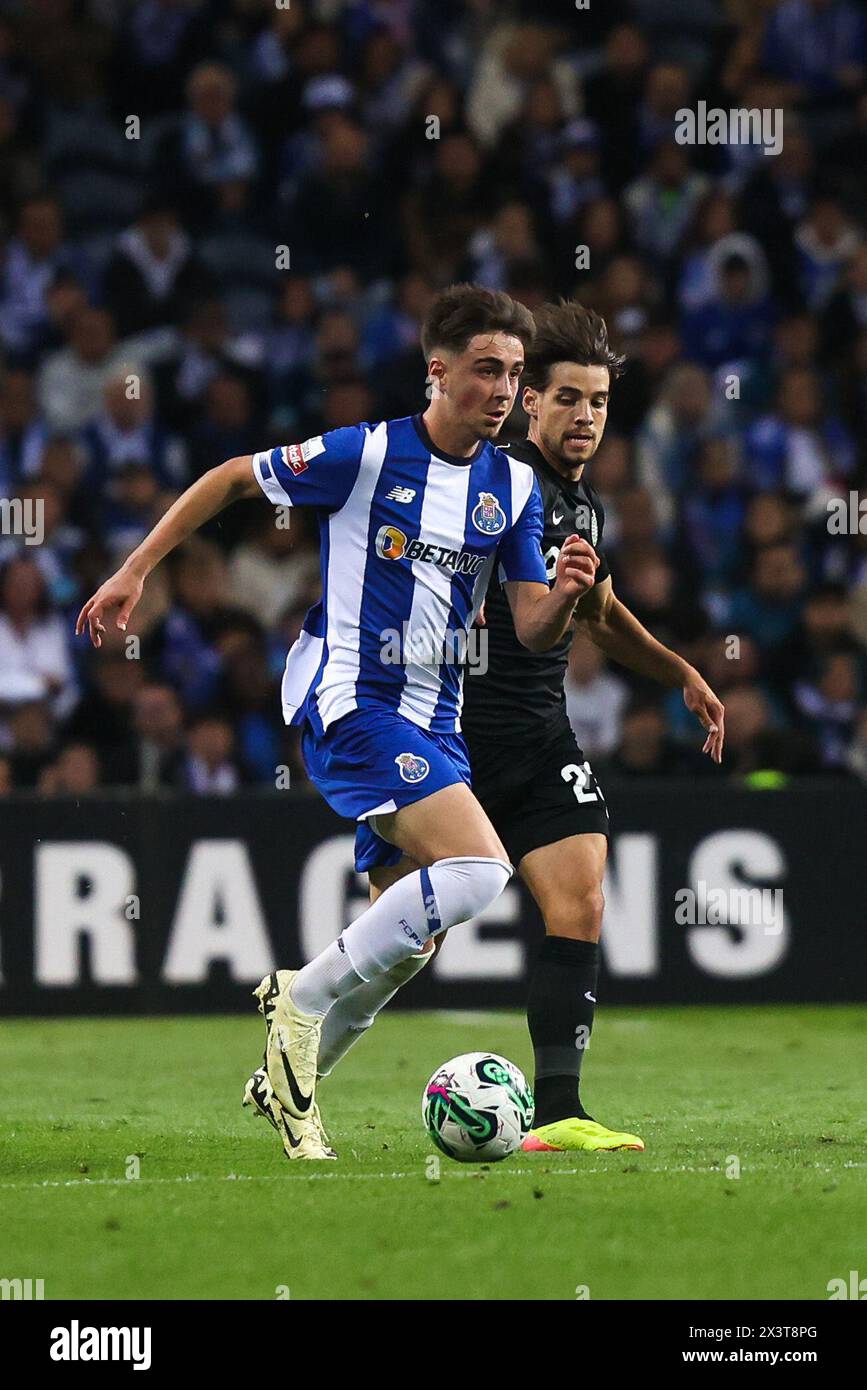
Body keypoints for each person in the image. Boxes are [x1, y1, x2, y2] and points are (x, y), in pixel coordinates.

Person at [76, 284, 599, 1160]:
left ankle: (286, 1087)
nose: (504, 390)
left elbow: (531, 617)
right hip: (350, 693)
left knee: (406, 939)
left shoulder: (509, 484)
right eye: (485, 370)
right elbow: (231, 478)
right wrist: (136, 569)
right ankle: (299, 1000)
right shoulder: (365, 454)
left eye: (513, 372)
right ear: (437, 372)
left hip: (435, 716)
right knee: (478, 870)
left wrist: (569, 596)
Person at [285, 300, 726, 1154]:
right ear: (531, 401)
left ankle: (558, 1112)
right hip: (448, 732)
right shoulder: (490, 479)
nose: (585, 418)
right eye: (567, 399)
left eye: (598, 403)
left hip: (538, 734)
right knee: (406, 949)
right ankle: (293, 1059)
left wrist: (678, 671)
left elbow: (595, 613)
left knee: (581, 894)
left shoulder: (578, 505)